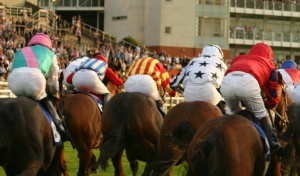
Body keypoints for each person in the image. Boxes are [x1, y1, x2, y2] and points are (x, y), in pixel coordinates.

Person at [220, 43, 281, 153]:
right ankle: (271, 143)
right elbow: (272, 89)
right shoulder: (270, 65)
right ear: (269, 55)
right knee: (262, 113)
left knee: (233, 112)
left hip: (227, 81)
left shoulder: (238, 58)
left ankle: (221, 135)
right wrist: (271, 103)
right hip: (248, 82)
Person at [7, 33, 69, 141]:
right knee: (45, 99)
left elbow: (13, 68)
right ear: (48, 46)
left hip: (13, 80)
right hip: (35, 79)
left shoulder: (20, 51)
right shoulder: (50, 54)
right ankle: (60, 128)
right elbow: (53, 81)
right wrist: (54, 93)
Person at [169, 44, 228, 114]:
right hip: (210, 95)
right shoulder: (222, 64)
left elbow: (173, 83)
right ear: (220, 54)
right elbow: (227, 86)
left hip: (189, 95)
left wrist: (184, 92)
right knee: (223, 117)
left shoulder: (193, 61)